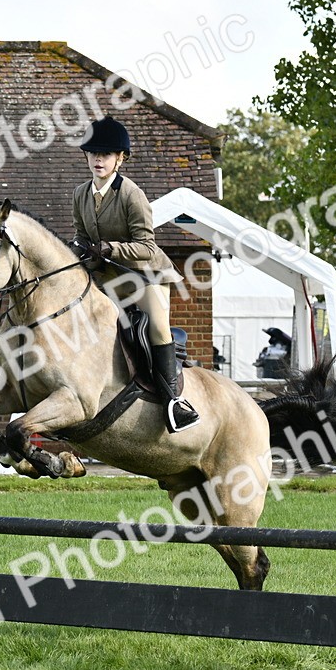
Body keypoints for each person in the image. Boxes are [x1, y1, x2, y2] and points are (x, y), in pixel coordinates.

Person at [67, 115, 200, 433]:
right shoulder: (80, 195)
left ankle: (173, 403)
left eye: (106, 154)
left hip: (147, 276)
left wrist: (110, 249)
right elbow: (82, 239)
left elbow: (146, 247)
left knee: (157, 325)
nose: (99, 159)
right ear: (86, 155)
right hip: (108, 278)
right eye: (94, 153)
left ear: (120, 158)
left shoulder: (131, 194)